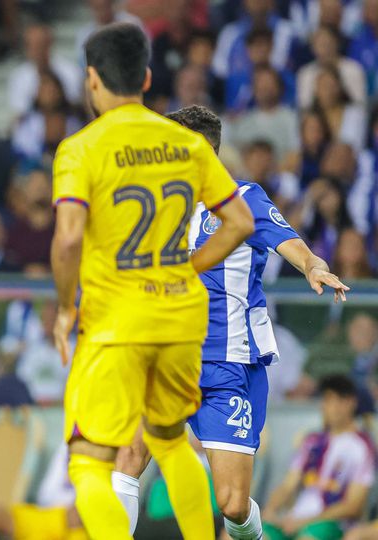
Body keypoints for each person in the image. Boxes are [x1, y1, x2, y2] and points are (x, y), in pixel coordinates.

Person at [50, 22, 255, 538]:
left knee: (91, 464)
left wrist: (64, 309)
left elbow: (70, 238)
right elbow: (240, 223)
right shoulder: (186, 145)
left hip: (116, 322)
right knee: (167, 443)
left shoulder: (82, 147)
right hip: (182, 318)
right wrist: (190, 268)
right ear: (145, 77)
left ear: (91, 80)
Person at [111, 105, 350, 540]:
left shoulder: (245, 199)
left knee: (233, 506)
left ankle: (252, 535)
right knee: (127, 459)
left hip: (228, 367)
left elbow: (290, 243)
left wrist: (313, 266)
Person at [264, 375, 374, 540]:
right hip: (294, 520)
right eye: (327, 400)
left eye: (337, 401)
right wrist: (270, 510)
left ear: (351, 403)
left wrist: (306, 521)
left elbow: (354, 506)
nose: (331, 407)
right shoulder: (312, 441)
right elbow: (288, 485)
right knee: (236, 534)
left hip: (332, 524)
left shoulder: (362, 447)